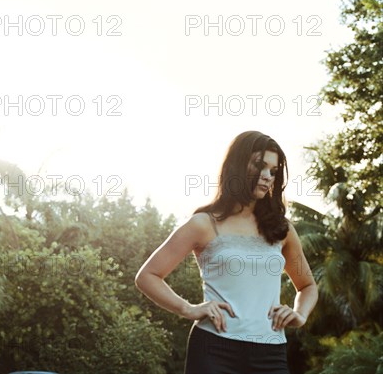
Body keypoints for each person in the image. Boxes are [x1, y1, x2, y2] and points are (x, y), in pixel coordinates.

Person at [135, 130, 318, 374]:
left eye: (273, 172)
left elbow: (307, 286)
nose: (267, 177)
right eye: (259, 166)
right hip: (214, 349)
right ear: (237, 165)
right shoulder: (203, 224)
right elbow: (148, 275)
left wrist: (300, 314)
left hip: (270, 355)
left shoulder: (282, 230)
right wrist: (188, 308)